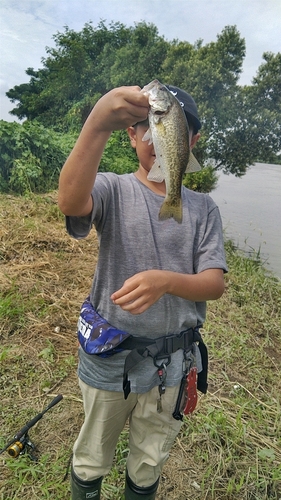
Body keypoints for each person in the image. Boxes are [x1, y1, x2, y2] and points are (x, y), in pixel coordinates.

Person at [58, 83, 228, 500]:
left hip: (171, 365)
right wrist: (98, 122)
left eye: (170, 130)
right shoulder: (113, 188)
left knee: (148, 461)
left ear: (191, 142)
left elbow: (215, 283)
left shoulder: (204, 208)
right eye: (144, 127)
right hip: (110, 358)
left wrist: (167, 281)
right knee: (92, 453)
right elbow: (70, 200)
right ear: (132, 135)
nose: (155, 138)